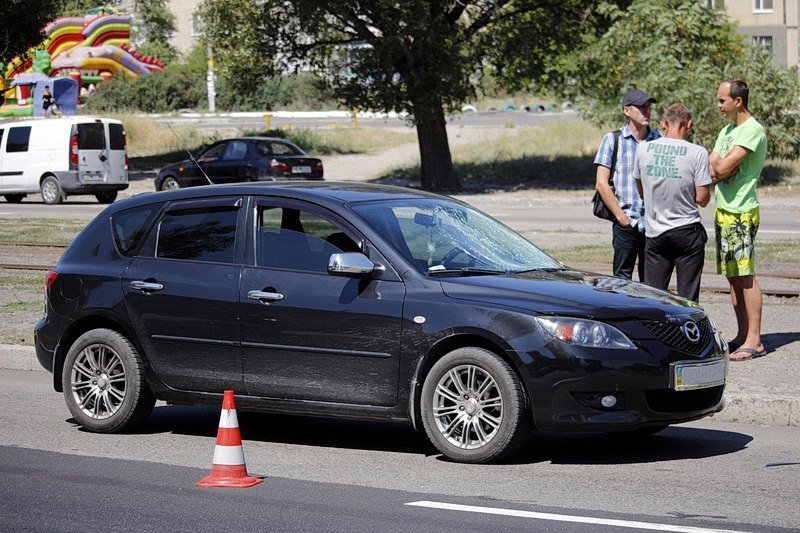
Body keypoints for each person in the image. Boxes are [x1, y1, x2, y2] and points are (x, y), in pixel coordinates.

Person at [709, 79, 767, 361]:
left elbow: (723, 166)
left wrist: (721, 168)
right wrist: (720, 169)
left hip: (742, 210)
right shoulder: (728, 131)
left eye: (722, 100)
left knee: (745, 276)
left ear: (738, 101)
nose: (719, 105)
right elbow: (713, 166)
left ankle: (755, 340)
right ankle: (742, 335)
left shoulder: (752, 130)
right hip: (724, 208)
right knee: (733, 276)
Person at [633, 103, 711, 302]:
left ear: (663, 124)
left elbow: (641, 190)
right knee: (688, 298)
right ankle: (687, 332)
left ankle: (655, 332)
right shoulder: (698, 152)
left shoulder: (643, 149)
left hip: (655, 233)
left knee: (653, 296)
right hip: (686, 231)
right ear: (689, 124)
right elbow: (702, 199)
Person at [594, 89, 661, 281]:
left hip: (653, 223)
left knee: (651, 281)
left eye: (648, 107)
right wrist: (621, 218)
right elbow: (601, 182)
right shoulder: (613, 140)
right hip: (626, 221)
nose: (647, 111)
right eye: (641, 107)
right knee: (621, 280)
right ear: (627, 111)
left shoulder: (659, 140)